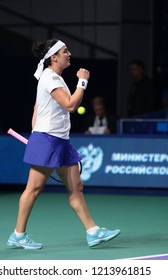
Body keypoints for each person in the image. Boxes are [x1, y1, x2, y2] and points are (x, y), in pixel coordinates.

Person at [7, 39, 120, 249]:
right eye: (64, 51)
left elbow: (36, 107)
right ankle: (18, 235)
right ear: (54, 57)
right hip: (48, 139)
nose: (69, 54)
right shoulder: (50, 77)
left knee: (76, 187)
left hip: (60, 140)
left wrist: (34, 131)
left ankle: (93, 231)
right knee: (34, 188)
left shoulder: (54, 78)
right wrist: (82, 82)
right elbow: (70, 105)